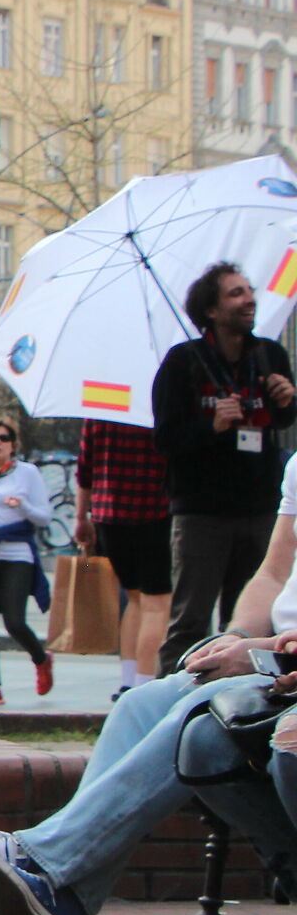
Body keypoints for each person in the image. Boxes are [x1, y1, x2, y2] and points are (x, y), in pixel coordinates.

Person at [0, 451, 297, 915]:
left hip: (286, 666)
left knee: (202, 715)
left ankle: (42, 858)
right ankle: (69, 899)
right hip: (271, 658)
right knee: (140, 704)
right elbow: (273, 574)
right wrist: (236, 636)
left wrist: (266, 652)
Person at [154, 262, 297, 670]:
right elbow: (166, 440)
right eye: (235, 293)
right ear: (211, 310)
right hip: (202, 512)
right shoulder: (183, 362)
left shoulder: (268, 354)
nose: (249, 299)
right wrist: (211, 426)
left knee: (249, 617)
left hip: (260, 505)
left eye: (249, 290)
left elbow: (281, 422)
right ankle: (174, 691)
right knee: (190, 620)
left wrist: (287, 403)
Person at [75, 419, 172, 697]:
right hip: (155, 510)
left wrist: (82, 517)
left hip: (109, 514)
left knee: (134, 598)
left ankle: (128, 679)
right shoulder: (153, 408)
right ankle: (145, 683)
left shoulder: (102, 407)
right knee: (157, 603)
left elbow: (85, 468)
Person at [0, 418, 55, 705]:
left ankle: (41, 659)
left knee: (15, 621)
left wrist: (22, 505)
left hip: (17, 554)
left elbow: (44, 517)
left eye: (4, 438)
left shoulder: (27, 473)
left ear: (14, 444)